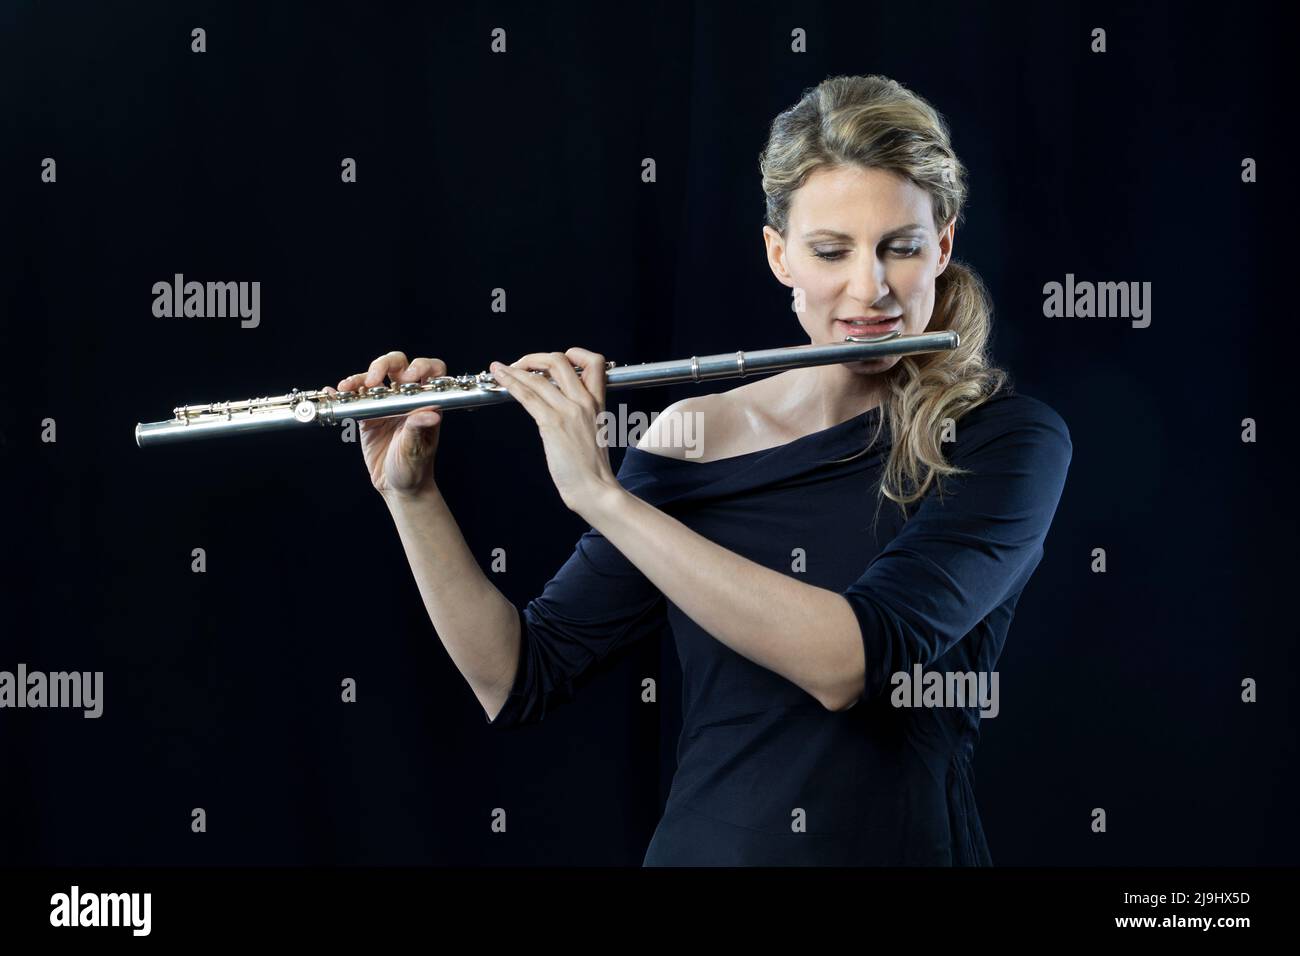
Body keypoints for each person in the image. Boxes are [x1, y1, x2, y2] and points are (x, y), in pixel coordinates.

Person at [329, 74, 1071, 865]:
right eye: (830, 251)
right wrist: (411, 495)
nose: (870, 288)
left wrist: (601, 496)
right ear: (778, 254)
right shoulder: (693, 436)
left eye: (901, 246)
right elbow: (519, 676)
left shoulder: (1006, 441)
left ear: (944, 244)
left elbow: (849, 662)